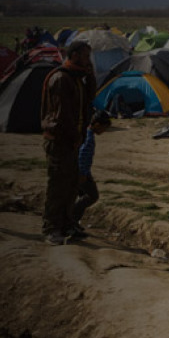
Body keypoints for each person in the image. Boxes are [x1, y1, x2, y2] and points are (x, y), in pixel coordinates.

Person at [40, 41, 97, 245]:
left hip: (73, 140)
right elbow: (61, 115)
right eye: (84, 56)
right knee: (58, 185)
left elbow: (91, 98)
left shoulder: (76, 79)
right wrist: (74, 137)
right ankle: (51, 227)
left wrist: (90, 75)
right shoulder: (61, 79)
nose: (88, 60)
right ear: (73, 55)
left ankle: (66, 223)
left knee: (72, 184)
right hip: (60, 140)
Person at [71, 111, 112, 236]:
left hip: (81, 171)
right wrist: (83, 174)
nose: (104, 131)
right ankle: (71, 220)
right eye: (104, 128)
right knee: (92, 196)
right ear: (97, 124)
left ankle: (73, 221)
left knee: (83, 195)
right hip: (82, 173)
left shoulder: (86, 133)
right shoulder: (88, 138)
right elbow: (83, 156)